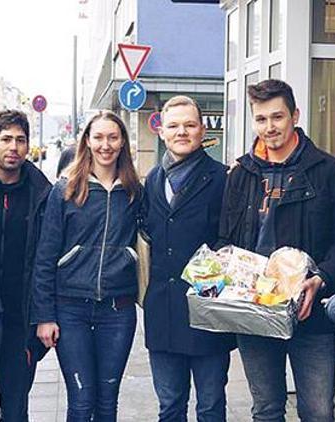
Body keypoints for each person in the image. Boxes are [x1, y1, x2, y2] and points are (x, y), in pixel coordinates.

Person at [218, 79, 335, 421]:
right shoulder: (240, 174)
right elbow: (224, 240)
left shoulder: (328, 171)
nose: (269, 127)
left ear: (295, 115)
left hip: (310, 312)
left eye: (277, 117)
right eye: (261, 119)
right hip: (254, 311)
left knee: (318, 412)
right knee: (266, 409)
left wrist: (321, 278)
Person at [32, 110, 142, 421]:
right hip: (70, 310)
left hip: (117, 310)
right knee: (81, 402)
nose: (105, 144)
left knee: (107, 403)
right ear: (87, 141)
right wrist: (44, 316)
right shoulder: (65, 189)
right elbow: (45, 256)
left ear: (122, 143)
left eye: (113, 137)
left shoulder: (134, 191)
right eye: (99, 137)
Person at [142, 95, 235, 421]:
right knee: (169, 407)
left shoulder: (224, 178)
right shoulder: (152, 181)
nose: (182, 131)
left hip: (207, 312)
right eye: (174, 125)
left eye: (190, 125)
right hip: (163, 312)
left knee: (210, 407)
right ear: (162, 132)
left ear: (201, 130)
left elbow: (231, 242)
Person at [0, 110, 52, 422]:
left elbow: (48, 259)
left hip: (19, 320)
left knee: (14, 409)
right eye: (6, 139)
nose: (13, 146)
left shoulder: (43, 193)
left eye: (20, 140)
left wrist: (43, 316)